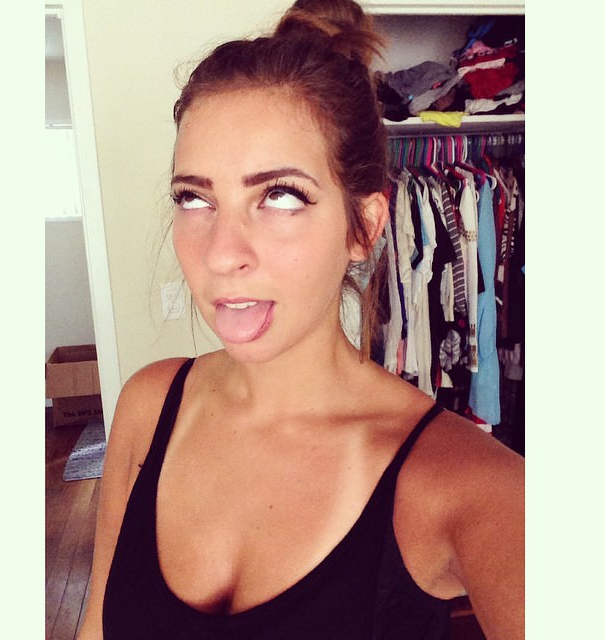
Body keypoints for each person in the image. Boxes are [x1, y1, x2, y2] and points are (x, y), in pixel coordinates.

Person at [78, 1, 524, 638]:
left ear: (363, 227)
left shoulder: (470, 487)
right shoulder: (149, 408)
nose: (222, 253)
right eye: (194, 198)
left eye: (280, 196)